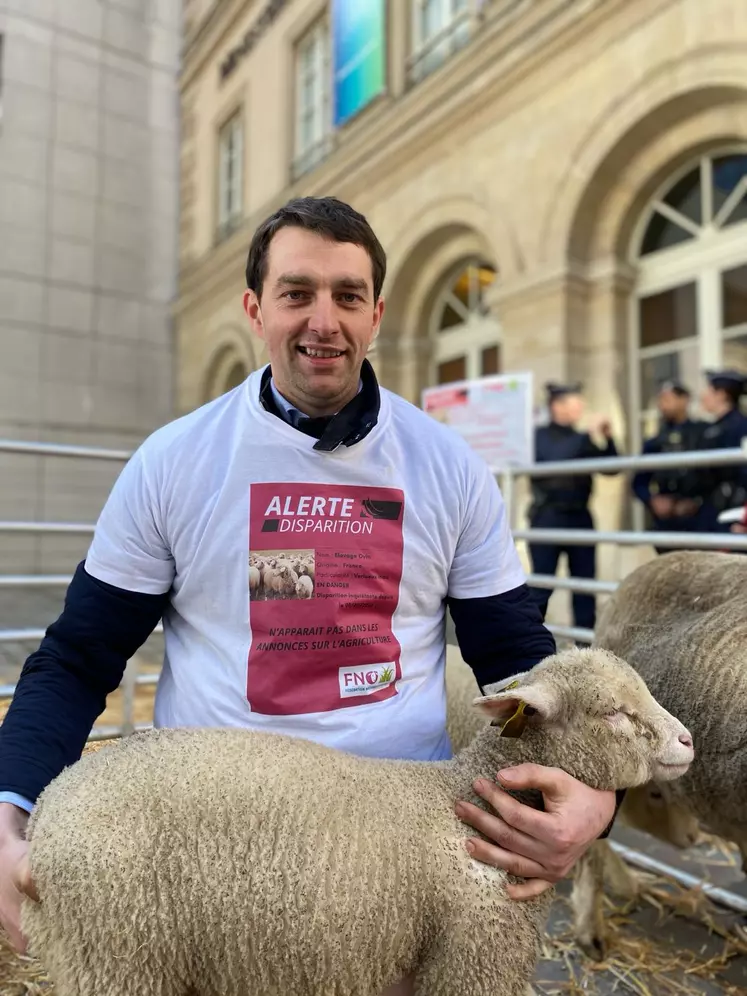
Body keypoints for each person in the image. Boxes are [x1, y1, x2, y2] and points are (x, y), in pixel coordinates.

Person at [0, 198, 617, 993]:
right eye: (296, 293)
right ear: (255, 308)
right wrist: (8, 810)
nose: (323, 321)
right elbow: (80, 657)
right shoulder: (174, 463)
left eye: (347, 296)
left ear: (376, 315)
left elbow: (519, 661)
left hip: (397, 858)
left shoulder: (447, 467)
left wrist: (598, 804)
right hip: (209, 847)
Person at [527, 382, 618, 633]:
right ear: (557, 406)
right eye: (574, 402)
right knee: (542, 584)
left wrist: (608, 439)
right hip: (548, 516)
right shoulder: (539, 436)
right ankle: (528, 642)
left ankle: (584, 644)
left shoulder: (579, 438)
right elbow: (558, 457)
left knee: (584, 586)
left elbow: (612, 468)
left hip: (580, 516)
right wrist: (588, 434)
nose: (581, 407)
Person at [631, 380, 709, 553]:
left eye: (668, 399)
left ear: (684, 400)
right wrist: (653, 500)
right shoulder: (655, 442)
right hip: (667, 521)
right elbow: (638, 482)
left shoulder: (703, 434)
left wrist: (696, 502)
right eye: (660, 400)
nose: (662, 405)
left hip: (696, 520)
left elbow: (716, 478)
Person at [698, 369, 747, 532]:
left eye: (710, 390)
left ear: (722, 395)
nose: (704, 396)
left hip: (734, 512)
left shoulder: (741, 427)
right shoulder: (711, 429)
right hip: (711, 509)